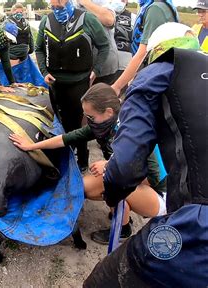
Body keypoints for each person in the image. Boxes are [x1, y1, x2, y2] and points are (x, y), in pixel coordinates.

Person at [84, 23, 207, 287]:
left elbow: (127, 169)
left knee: (104, 280)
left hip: (195, 220)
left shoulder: (157, 74)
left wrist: (114, 194)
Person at [9, 83, 167, 244]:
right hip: (135, 182)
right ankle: (121, 209)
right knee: (84, 187)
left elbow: (155, 177)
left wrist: (109, 166)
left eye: (90, 117)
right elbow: (67, 138)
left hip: (159, 194)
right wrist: (32, 146)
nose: (87, 120)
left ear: (108, 112)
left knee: (111, 182)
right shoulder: (105, 123)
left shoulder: (132, 130)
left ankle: (123, 229)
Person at [35, 0, 110, 171]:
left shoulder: (87, 19)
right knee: (60, 123)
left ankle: (82, 160)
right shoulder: (46, 21)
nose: (56, 10)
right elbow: (38, 48)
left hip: (79, 82)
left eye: (59, 7)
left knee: (78, 124)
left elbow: (104, 46)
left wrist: (96, 69)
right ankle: (65, 159)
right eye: (53, 7)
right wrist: (43, 71)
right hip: (55, 83)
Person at [111, 0, 178, 96]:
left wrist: (117, 86)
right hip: (160, 71)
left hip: (152, 74)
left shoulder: (155, 9)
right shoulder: (164, 5)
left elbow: (143, 52)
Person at [77, 0, 119, 85]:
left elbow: (109, 20)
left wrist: (84, 2)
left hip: (105, 69)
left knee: (102, 97)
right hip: (79, 69)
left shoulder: (102, 2)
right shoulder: (70, 5)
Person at [111, 0, 136, 95]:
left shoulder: (133, 18)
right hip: (104, 65)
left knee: (118, 97)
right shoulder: (100, 12)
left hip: (124, 65)